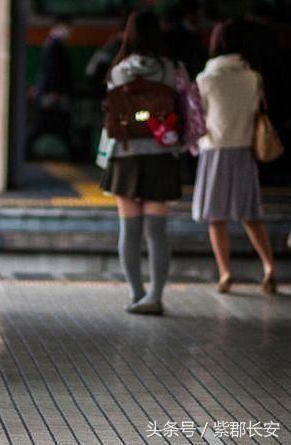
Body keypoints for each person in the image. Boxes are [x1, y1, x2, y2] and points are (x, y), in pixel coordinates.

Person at [98, 11, 184, 315]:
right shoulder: (172, 69)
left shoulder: (119, 71)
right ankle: (155, 297)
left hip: (125, 155)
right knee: (157, 233)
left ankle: (136, 295)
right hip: (160, 155)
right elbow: (184, 106)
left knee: (129, 230)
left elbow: (110, 115)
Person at [192, 20, 277, 294]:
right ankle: (268, 267)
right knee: (250, 214)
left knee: (216, 218)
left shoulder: (205, 79)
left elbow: (198, 117)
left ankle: (226, 272)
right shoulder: (253, 77)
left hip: (214, 151)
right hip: (243, 151)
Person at [25, 17, 74, 160]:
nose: (69, 32)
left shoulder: (51, 44)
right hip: (52, 94)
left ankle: (26, 150)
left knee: (49, 125)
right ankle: (26, 150)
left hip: (50, 93)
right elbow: (53, 71)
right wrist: (55, 93)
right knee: (47, 125)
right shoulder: (54, 46)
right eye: (67, 28)